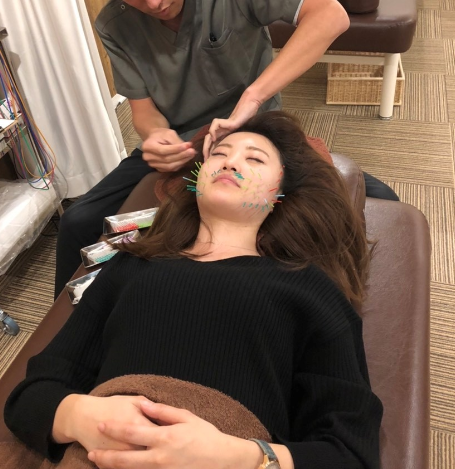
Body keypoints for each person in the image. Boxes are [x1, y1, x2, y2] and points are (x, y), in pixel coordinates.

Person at [54, 0, 398, 298]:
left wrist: (253, 97)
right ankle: (70, 323)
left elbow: (330, 16)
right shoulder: (114, 25)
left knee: (379, 200)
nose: (151, 1)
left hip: (254, 131)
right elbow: (143, 111)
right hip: (184, 148)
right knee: (77, 222)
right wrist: (156, 136)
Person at [5, 111, 382, 469]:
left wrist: (239, 457)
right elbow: (32, 394)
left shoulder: (310, 289)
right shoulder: (131, 265)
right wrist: (79, 416)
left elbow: (350, 451)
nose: (230, 163)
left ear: (279, 193)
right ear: (195, 180)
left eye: (254, 159)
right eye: (219, 154)